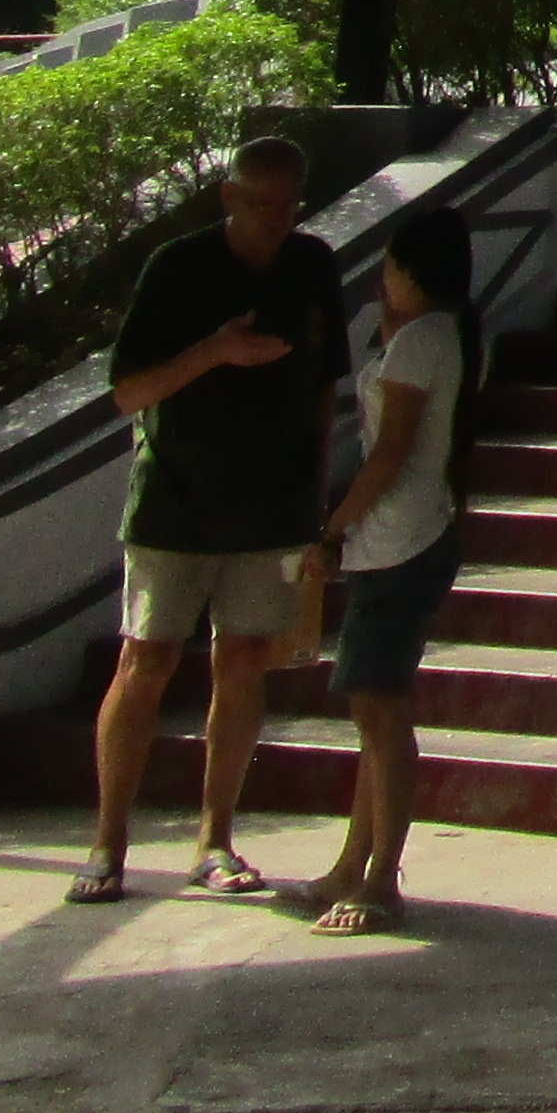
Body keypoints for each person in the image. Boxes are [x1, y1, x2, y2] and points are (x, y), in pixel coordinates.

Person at [76, 130, 347, 904]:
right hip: (176, 498)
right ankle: (107, 841)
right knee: (147, 660)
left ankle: (216, 836)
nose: (275, 218)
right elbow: (129, 391)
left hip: (272, 503)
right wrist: (215, 352)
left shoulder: (312, 265)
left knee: (243, 662)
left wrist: (316, 497)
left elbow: (329, 384)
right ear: (229, 197)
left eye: (287, 205)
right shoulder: (179, 267)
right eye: (260, 203)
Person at [296, 201, 480, 935]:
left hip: (397, 534)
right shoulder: (436, 335)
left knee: (381, 707)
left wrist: (334, 524)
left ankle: (379, 877)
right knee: (373, 708)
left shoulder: (424, 341)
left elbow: (390, 451)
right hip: (403, 534)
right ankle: (354, 861)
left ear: (408, 270)